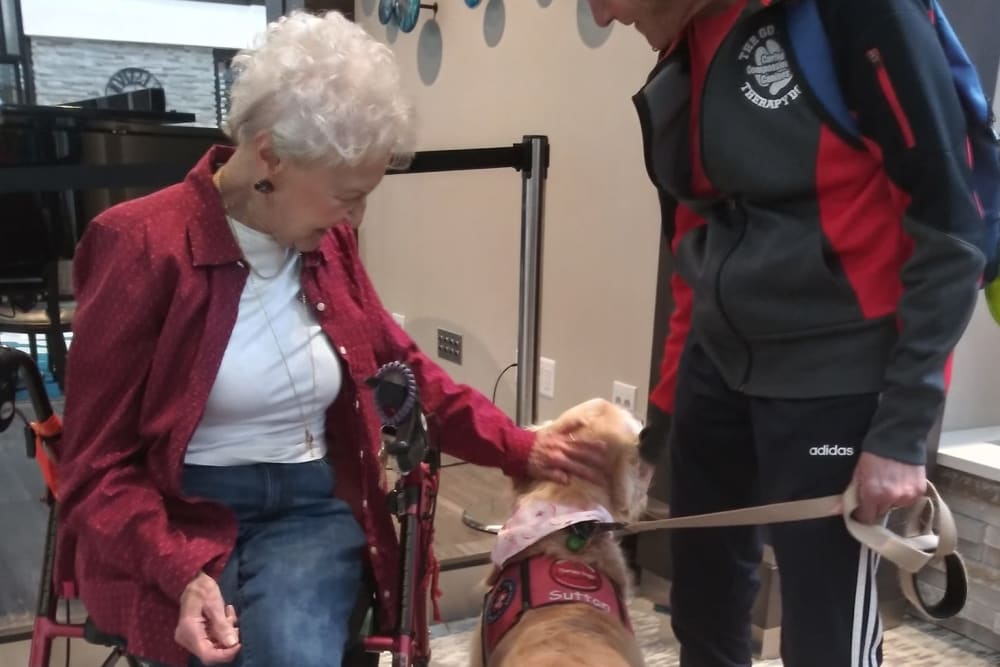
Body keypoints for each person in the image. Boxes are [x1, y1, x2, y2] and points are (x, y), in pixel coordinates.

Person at [56, 11, 608, 667]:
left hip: (305, 512)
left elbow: (404, 372)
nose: (357, 218)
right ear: (269, 157)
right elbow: (95, 468)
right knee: (206, 647)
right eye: (347, 196)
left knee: (292, 652)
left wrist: (521, 445)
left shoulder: (325, 245)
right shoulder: (141, 245)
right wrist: (179, 570)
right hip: (172, 510)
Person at [586, 1, 986, 666]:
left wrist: (902, 431)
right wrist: (661, 424)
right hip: (718, 369)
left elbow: (951, 225)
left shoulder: (852, 13)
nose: (601, 17)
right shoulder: (687, 42)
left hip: (838, 370)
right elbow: (695, 245)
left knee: (827, 636)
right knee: (701, 606)